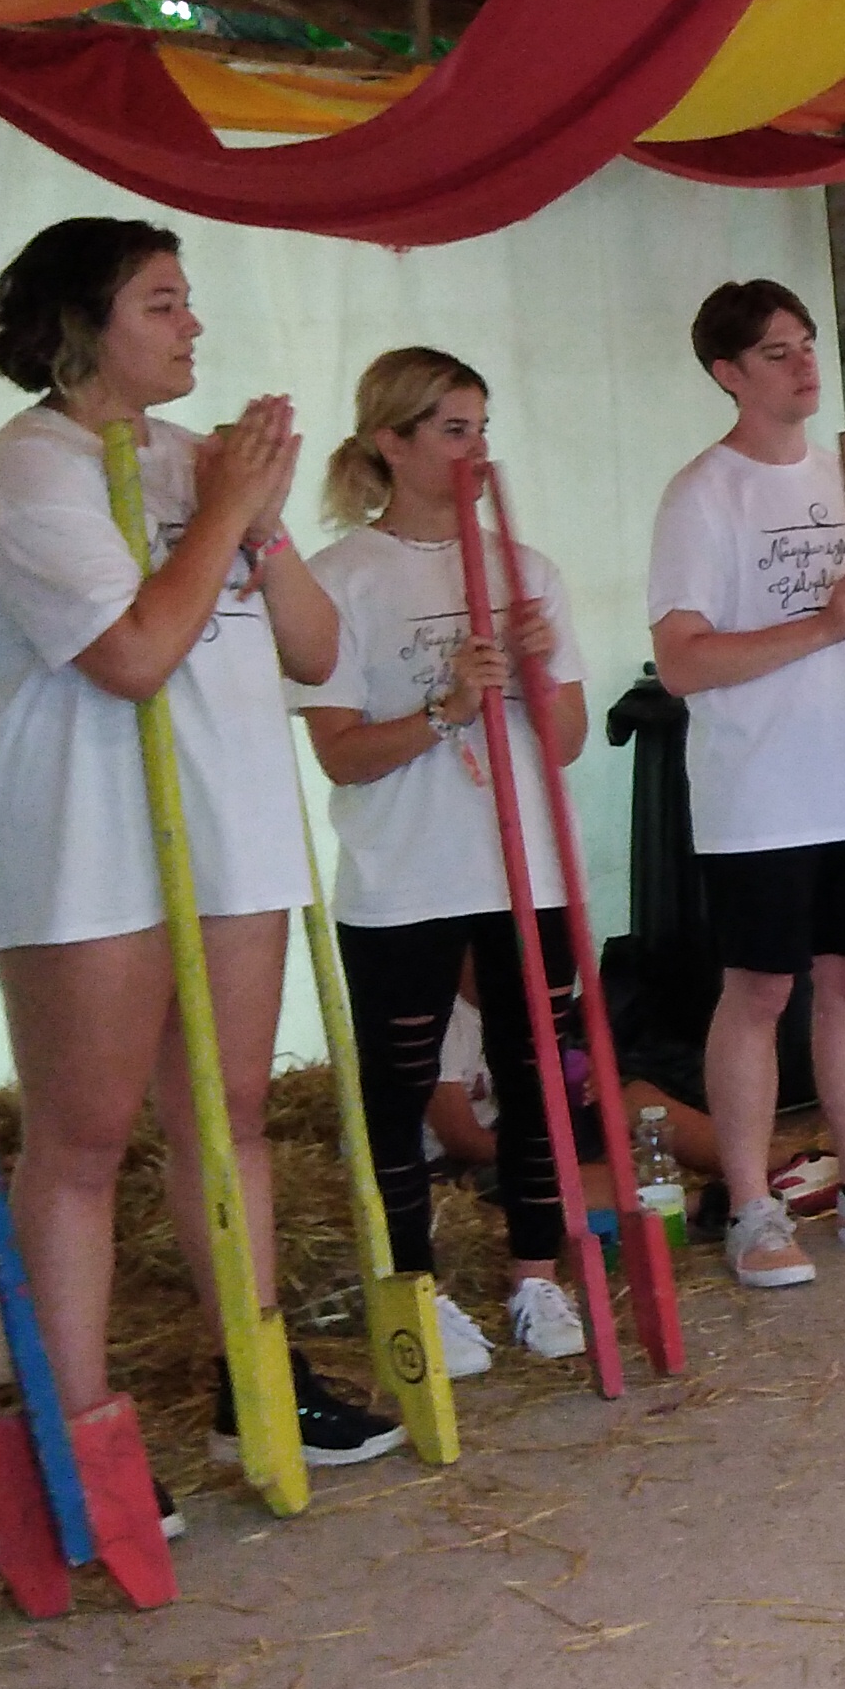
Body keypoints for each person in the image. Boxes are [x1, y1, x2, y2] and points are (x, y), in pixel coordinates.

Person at [0, 218, 395, 1489]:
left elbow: (316, 650)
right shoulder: (27, 470)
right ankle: (76, 1425)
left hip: (227, 822)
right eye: (160, 303)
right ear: (78, 327)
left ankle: (252, 1375)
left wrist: (258, 521)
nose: (192, 323)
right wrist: (224, 511)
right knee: (83, 1136)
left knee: (232, 1112)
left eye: (188, 300)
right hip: (84, 840)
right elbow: (134, 653)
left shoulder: (196, 458)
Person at [643, 281, 845, 1288]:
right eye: (776, 352)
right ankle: (749, 1204)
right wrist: (824, 621)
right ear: (728, 374)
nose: (803, 364)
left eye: (807, 344)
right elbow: (681, 660)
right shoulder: (702, 494)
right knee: (760, 989)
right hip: (759, 787)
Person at [296, 348, 597, 1368]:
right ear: (392, 440)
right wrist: (447, 707)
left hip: (525, 868)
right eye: (453, 430)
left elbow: (565, 741)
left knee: (537, 1071)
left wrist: (536, 670)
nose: (476, 451)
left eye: (482, 428)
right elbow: (339, 754)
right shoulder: (339, 578)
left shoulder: (526, 571)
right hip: (402, 873)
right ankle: (414, 1291)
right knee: (398, 1084)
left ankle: (536, 1277)